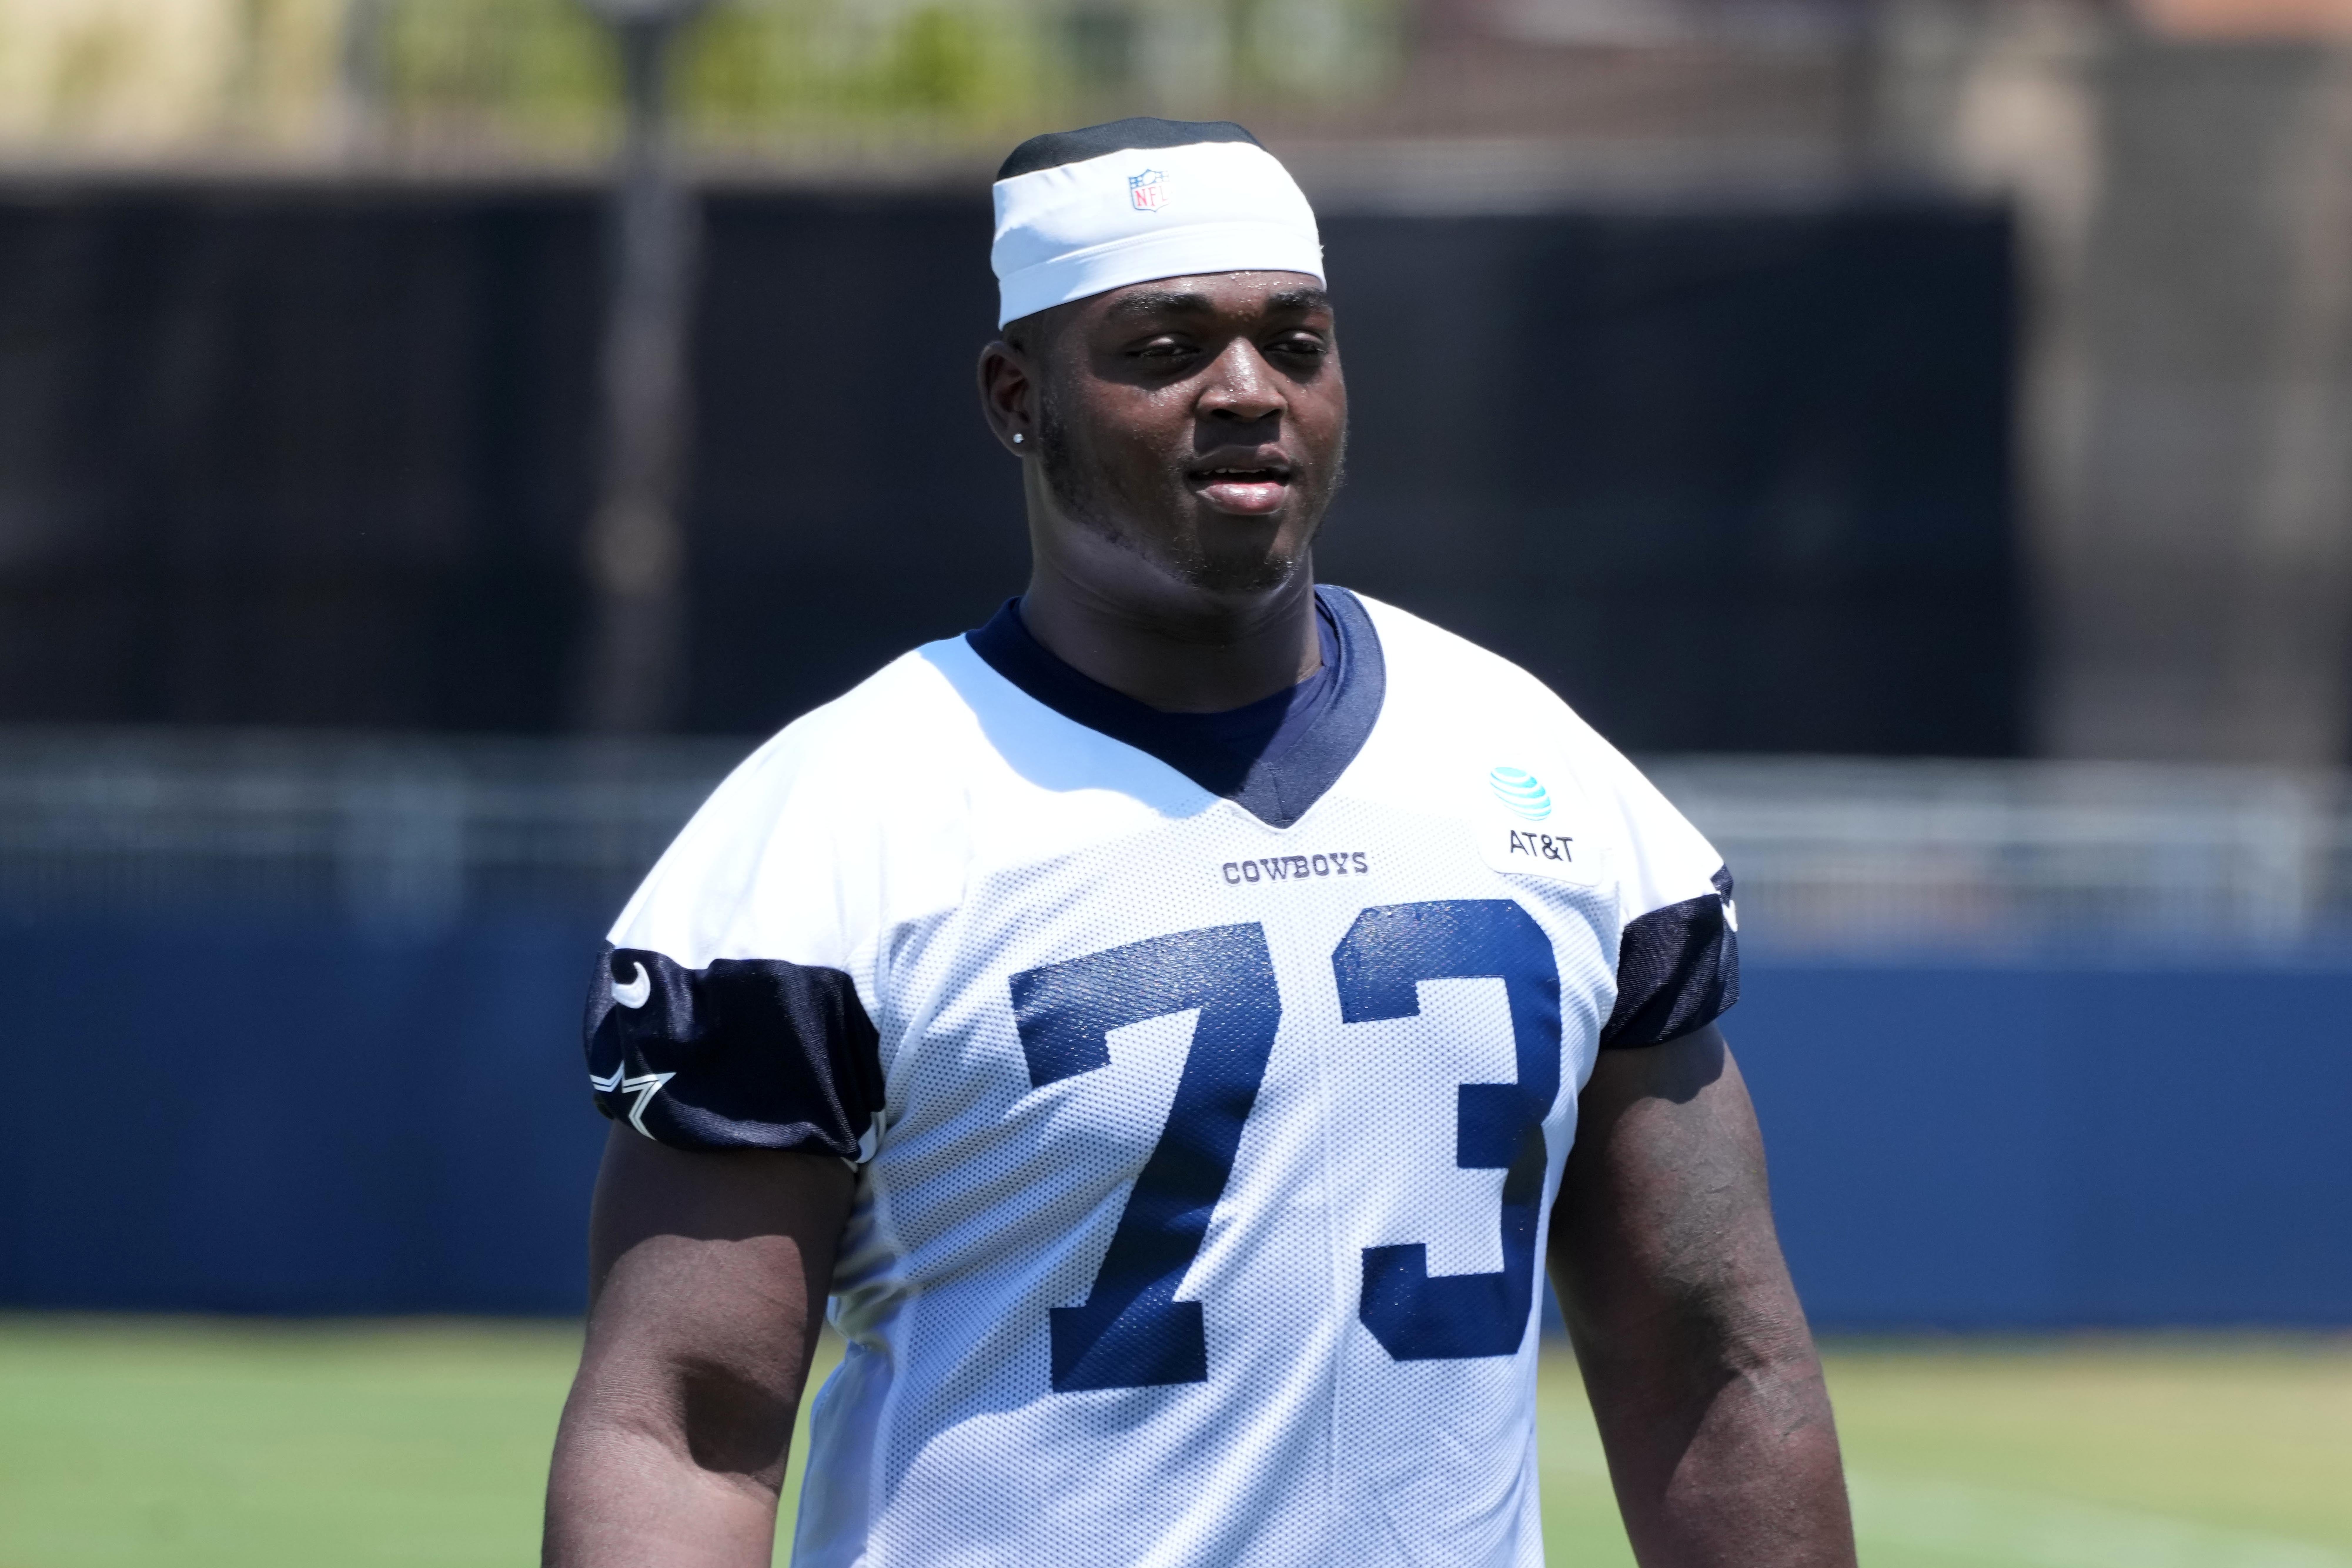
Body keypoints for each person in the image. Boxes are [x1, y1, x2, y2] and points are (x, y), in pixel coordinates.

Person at [544, 117, 1855, 1568]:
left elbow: (1715, 1357)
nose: (1248, 390)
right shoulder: (844, 825)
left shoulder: (1543, 773)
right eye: (1166, 348)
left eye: (1295, 341)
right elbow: (683, 1421)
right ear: (1015, 397)